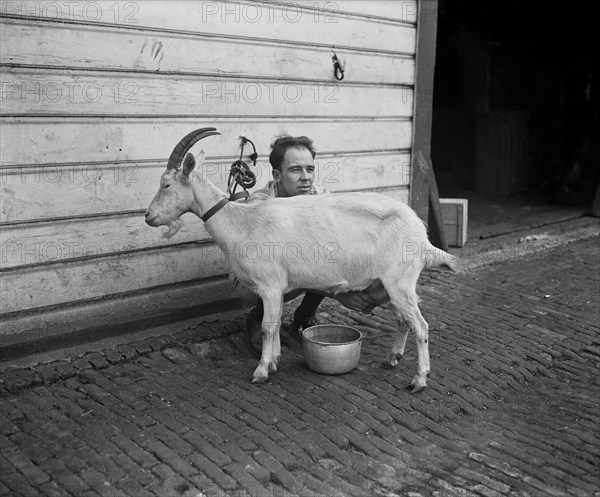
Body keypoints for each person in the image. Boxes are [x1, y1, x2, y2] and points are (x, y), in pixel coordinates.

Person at [229, 135, 389, 357]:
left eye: (310, 169)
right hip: (254, 277)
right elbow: (277, 265)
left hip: (299, 266)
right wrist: (339, 295)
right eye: (295, 170)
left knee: (326, 257)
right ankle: (257, 319)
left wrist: (356, 283)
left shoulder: (320, 196)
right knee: (296, 268)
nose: (306, 178)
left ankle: (304, 316)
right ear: (277, 175)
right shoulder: (260, 205)